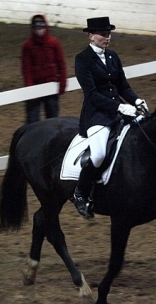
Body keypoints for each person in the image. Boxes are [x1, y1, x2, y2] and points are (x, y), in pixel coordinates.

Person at [71, 16, 149, 219]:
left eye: (109, 34)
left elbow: (123, 86)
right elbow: (92, 94)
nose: (108, 38)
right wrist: (120, 107)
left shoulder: (113, 56)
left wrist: (137, 101)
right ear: (91, 36)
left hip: (120, 111)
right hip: (97, 115)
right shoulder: (83, 60)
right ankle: (80, 193)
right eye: (103, 34)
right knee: (97, 155)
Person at [21, 14, 68, 123]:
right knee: (32, 120)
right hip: (35, 85)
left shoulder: (54, 43)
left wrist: (62, 83)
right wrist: (30, 89)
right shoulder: (27, 46)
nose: (39, 31)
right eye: (37, 29)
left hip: (51, 86)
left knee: (52, 118)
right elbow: (26, 69)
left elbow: (61, 64)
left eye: (41, 28)